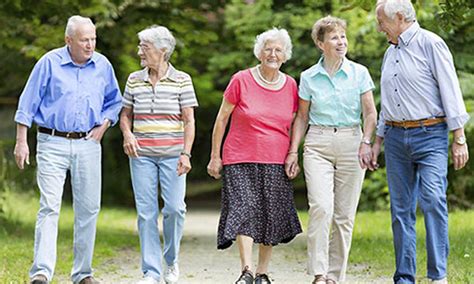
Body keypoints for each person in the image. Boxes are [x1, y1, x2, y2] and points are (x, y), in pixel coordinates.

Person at [13, 15, 122, 284]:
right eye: (84, 40)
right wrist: (21, 141)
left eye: (93, 39)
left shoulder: (102, 65)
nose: (90, 45)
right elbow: (27, 103)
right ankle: (41, 272)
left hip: (88, 143)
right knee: (49, 207)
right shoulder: (49, 63)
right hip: (52, 142)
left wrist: (106, 123)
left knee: (88, 208)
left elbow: (115, 101)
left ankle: (83, 274)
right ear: (68, 40)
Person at [373, 1, 470, 283]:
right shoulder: (389, 53)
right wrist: (377, 141)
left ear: (400, 17)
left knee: (432, 199)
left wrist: (459, 137)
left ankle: (437, 276)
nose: (380, 27)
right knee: (400, 209)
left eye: (382, 21)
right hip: (394, 137)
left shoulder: (431, 43)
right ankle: (404, 277)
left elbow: (450, 89)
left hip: (430, 135)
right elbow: (387, 103)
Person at [285, 16, 377, 284]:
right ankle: (318, 273)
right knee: (321, 207)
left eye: (343, 37)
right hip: (318, 143)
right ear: (320, 43)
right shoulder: (309, 77)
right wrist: (293, 151)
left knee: (344, 215)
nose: (341, 42)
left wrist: (366, 141)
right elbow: (301, 117)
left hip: (352, 141)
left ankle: (335, 276)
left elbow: (370, 114)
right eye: (334, 37)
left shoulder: (359, 73)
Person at [207, 28, 302, 284]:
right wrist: (215, 156)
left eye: (278, 50)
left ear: (285, 55)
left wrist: (293, 154)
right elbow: (221, 118)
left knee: (270, 214)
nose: (272, 54)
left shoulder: (291, 85)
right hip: (239, 157)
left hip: (275, 158)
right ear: (259, 52)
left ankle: (262, 273)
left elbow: (295, 123)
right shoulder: (241, 79)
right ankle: (246, 271)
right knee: (244, 209)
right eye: (268, 49)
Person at [120, 25, 198, 284]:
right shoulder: (133, 79)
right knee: (146, 213)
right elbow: (125, 115)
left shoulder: (182, 80)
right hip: (141, 155)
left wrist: (186, 154)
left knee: (175, 209)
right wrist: (128, 135)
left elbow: (189, 121)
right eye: (140, 45)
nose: (139, 51)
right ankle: (150, 272)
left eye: (145, 46)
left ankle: (171, 261)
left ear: (163, 51)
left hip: (173, 155)